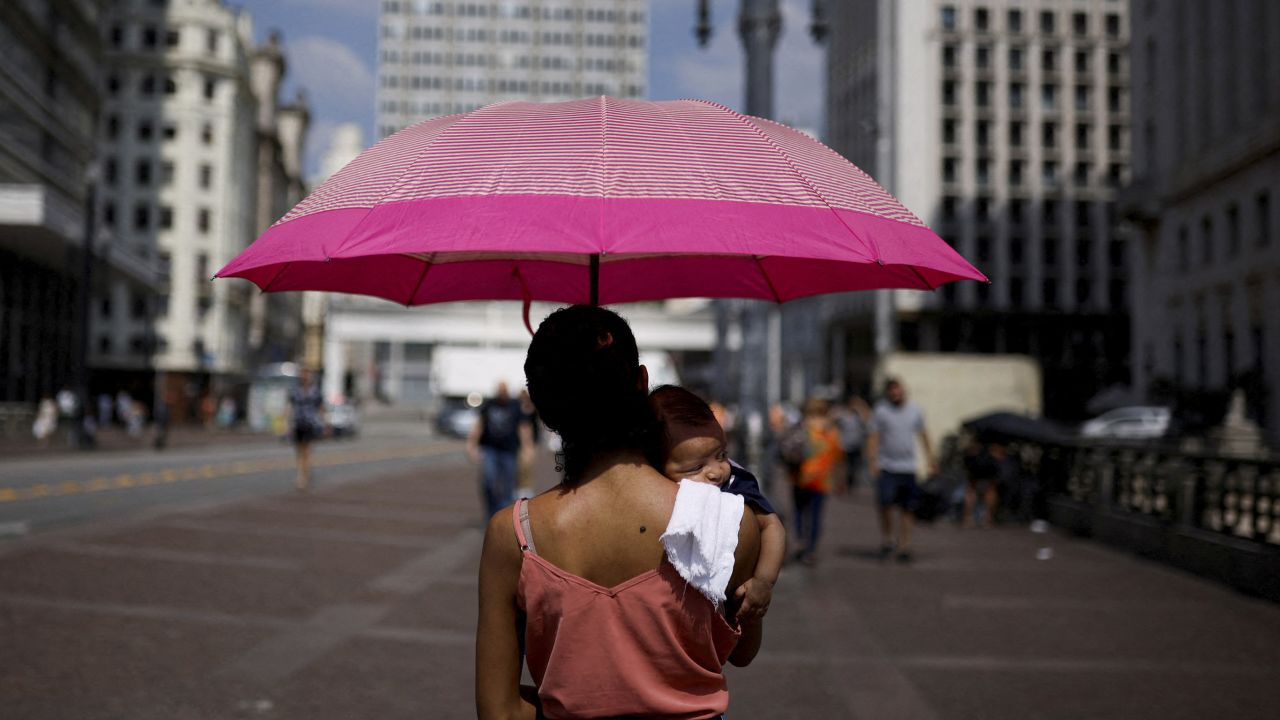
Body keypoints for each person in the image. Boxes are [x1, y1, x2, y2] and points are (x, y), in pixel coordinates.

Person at [476, 305, 762, 720]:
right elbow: (743, 653)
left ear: (544, 409)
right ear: (642, 382)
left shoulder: (513, 535)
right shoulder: (730, 522)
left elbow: (497, 711)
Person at [648, 384, 785, 622]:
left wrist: (763, 582)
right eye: (697, 467)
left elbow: (772, 526)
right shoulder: (652, 489)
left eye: (721, 454)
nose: (716, 471)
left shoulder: (736, 481)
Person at [866, 378, 937, 563]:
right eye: (892, 391)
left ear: (904, 391)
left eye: (898, 391)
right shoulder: (881, 411)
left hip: (908, 467)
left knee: (908, 508)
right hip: (887, 466)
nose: (896, 394)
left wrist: (931, 460)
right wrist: (872, 461)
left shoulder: (915, 411)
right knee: (886, 505)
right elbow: (874, 437)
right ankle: (888, 539)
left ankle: (905, 545)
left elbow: (924, 435)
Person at [790, 397, 844, 565]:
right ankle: (810, 549)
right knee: (815, 516)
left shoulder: (802, 426)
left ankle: (800, 541)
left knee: (799, 512)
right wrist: (839, 478)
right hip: (821, 479)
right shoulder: (831, 431)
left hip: (800, 476)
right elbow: (837, 456)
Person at [467, 382, 532, 519]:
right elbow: (480, 425)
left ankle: (503, 514)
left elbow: (523, 428)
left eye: (504, 391)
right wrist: (471, 444)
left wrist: (527, 447)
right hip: (490, 449)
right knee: (488, 480)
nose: (502, 393)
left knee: (508, 483)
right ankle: (491, 511)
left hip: (509, 451)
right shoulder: (489, 404)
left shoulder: (515, 406)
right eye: (500, 391)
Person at [288, 369, 324, 491]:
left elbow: (320, 408)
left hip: (310, 424)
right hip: (298, 423)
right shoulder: (295, 391)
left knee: (307, 451)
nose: (305, 377)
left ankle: (303, 477)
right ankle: (302, 473)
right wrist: (287, 423)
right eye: (303, 375)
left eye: (307, 375)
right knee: (299, 451)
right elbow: (290, 407)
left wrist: (324, 423)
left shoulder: (315, 392)